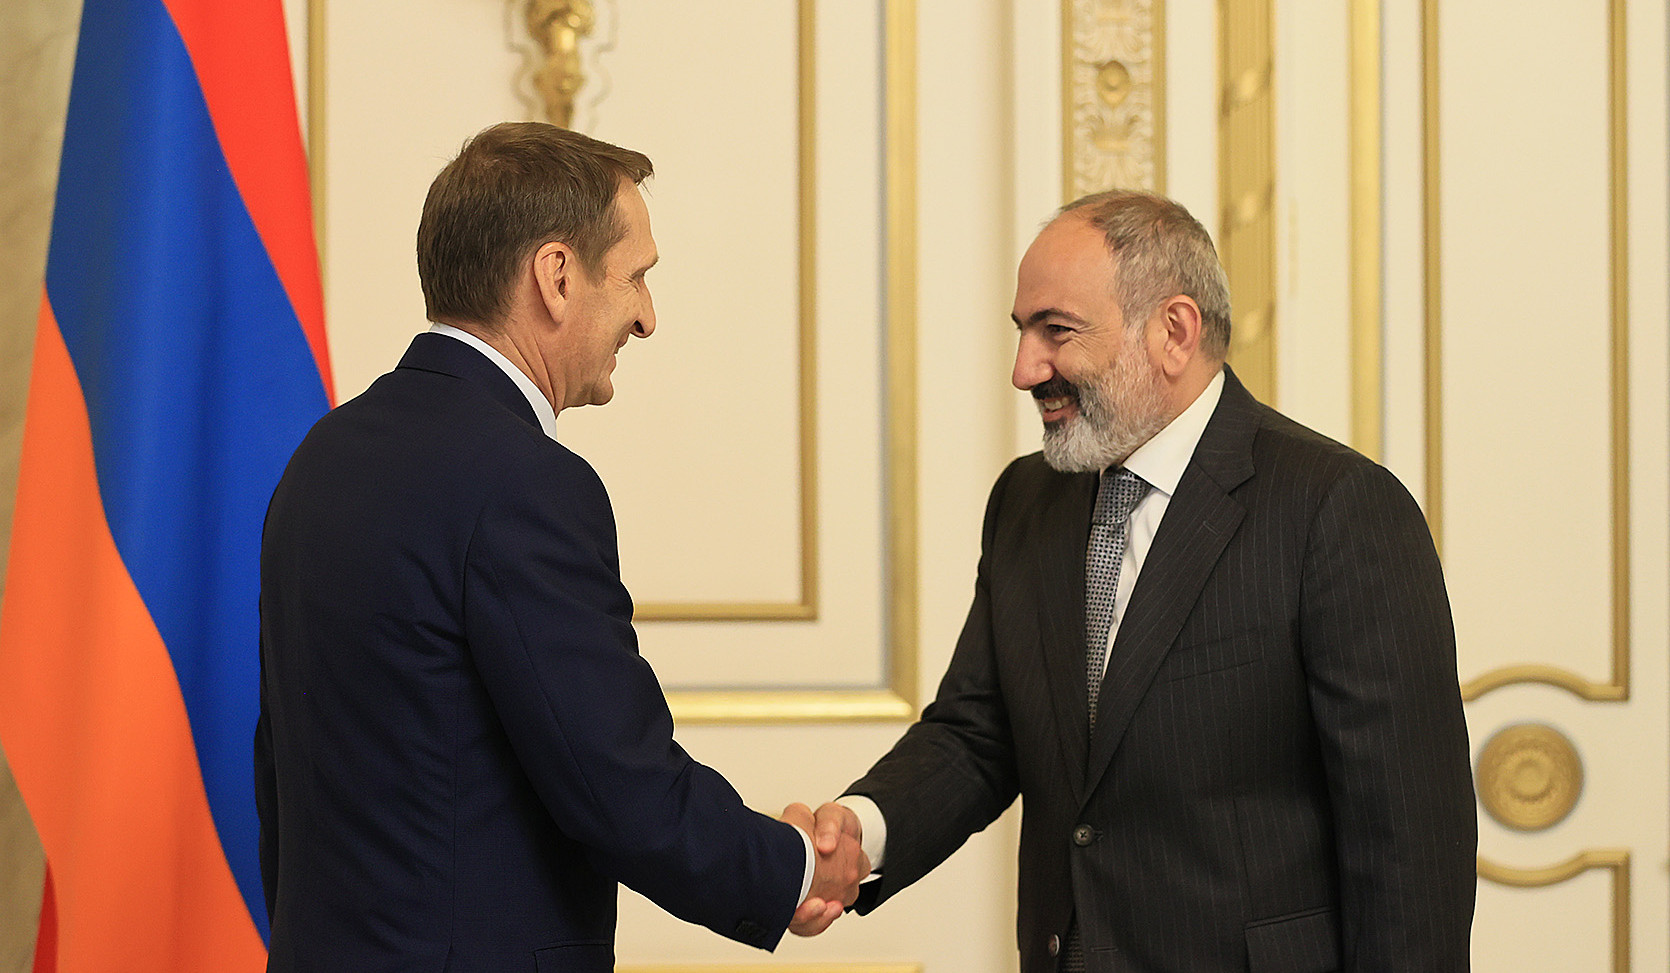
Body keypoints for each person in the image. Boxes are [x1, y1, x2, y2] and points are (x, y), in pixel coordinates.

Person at [808, 190, 1476, 971]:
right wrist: (861, 831)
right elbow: (978, 733)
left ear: (1173, 331)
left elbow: (1409, 847)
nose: (1025, 369)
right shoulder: (1025, 499)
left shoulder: (1336, 508)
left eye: (1056, 330)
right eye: (1022, 331)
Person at [255, 121, 866, 973]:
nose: (647, 316)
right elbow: (618, 786)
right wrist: (793, 866)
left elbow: (284, 783)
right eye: (637, 276)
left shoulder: (321, 458)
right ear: (556, 275)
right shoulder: (525, 482)